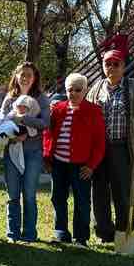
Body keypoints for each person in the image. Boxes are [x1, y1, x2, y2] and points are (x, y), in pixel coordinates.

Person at [86, 50, 134, 244]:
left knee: (122, 192)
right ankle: (104, 233)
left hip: (122, 148)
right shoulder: (96, 88)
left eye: (116, 64)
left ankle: (123, 232)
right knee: (99, 192)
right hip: (98, 149)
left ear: (123, 67)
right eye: (108, 64)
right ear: (103, 66)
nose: (112, 68)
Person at [44, 73, 105, 245]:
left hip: (81, 165)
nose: (74, 93)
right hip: (59, 163)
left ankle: (81, 237)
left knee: (82, 201)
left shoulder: (93, 111)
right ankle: (61, 232)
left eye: (78, 90)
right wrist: (47, 158)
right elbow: (48, 134)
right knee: (58, 198)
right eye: (70, 90)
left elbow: (99, 143)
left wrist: (92, 165)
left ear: (85, 90)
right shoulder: (58, 109)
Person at [0, 62, 51, 243]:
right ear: (16, 76)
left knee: (29, 193)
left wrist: (23, 119)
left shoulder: (41, 99)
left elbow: (44, 124)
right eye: (22, 74)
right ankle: (12, 234)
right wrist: (13, 137)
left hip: (33, 152)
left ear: (34, 78)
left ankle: (29, 234)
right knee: (13, 193)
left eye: (29, 74)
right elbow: (1, 123)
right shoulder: (9, 98)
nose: (25, 78)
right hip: (12, 150)